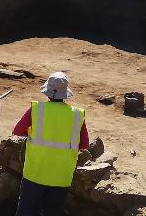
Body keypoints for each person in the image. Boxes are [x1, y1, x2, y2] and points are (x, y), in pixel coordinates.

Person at [11, 72, 90, 216]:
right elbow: (84, 144)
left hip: (35, 173)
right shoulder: (78, 115)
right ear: (65, 93)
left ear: (47, 91)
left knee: (26, 211)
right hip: (61, 177)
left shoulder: (36, 109)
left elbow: (17, 130)